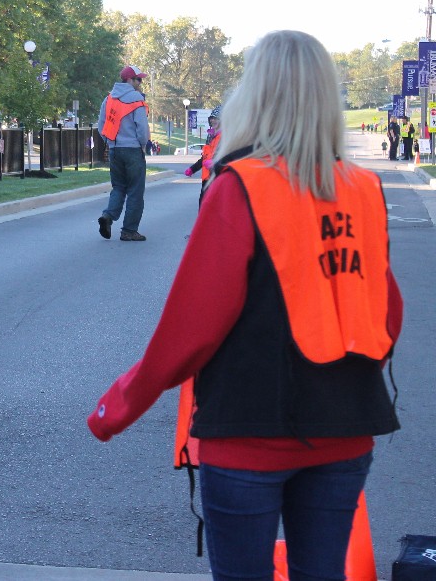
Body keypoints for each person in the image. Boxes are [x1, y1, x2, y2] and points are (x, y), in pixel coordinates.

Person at [87, 30, 402, 581]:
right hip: (345, 423)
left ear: (252, 97)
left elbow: (190, 329)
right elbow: (386, 314)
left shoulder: (240, 187)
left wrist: (121, 405)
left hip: (248, 430)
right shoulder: (361, 189)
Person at [96, 65, 150, 241]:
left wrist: (110, 142)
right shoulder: (136, 99)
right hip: (133, 150)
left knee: (118, 187)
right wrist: (143, 145)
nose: (140, 83)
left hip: (114, 150)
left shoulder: (109, 98)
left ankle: (108, 216)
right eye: (138, 79)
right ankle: (129, 230)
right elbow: (142, 128)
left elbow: (101, 126)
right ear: (130, 80)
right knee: (135, 191)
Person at [184, 106, 222, 205]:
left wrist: (215, 164)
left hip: (217, 178)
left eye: (216, 118)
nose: (213, 120)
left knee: (213, 207)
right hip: (206, 179)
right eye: (212, 118)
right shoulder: (210, 136)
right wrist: (192, 169)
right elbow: (204, 158)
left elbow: (227, 157)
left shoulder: (225, 136)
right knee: (203, 205)